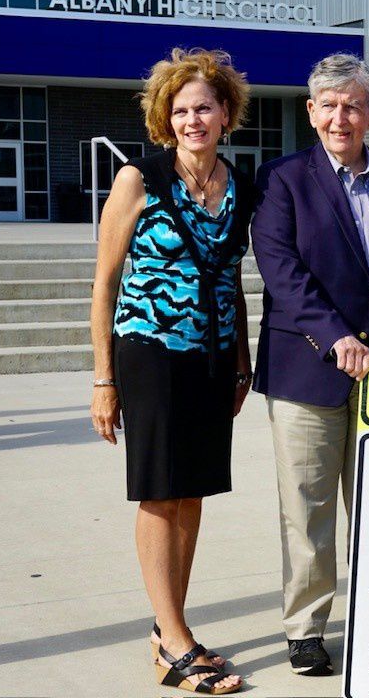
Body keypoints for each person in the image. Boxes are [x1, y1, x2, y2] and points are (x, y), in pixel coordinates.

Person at [250, 53, 369, 678]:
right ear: (310, 112)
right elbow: (281, 270)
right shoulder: (282, 180)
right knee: (307, 508)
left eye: (352, 105)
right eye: (328, 106)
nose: (340, 117)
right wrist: (335, 337)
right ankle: (306, 629)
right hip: (308, 372)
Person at [90, 47, 252, 694]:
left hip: (213, 358)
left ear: (225, 113)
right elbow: (104, 284)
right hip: (149, 353)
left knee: (192, 492)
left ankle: (170, 630)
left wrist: (241, 364)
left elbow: (232, 278)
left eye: (204, 107)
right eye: (181, 110)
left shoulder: (238, 184)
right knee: (160, 492)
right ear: (165, 117)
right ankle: (175, 638)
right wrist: (104, 380)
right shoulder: (139, 179)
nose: (193, 120)